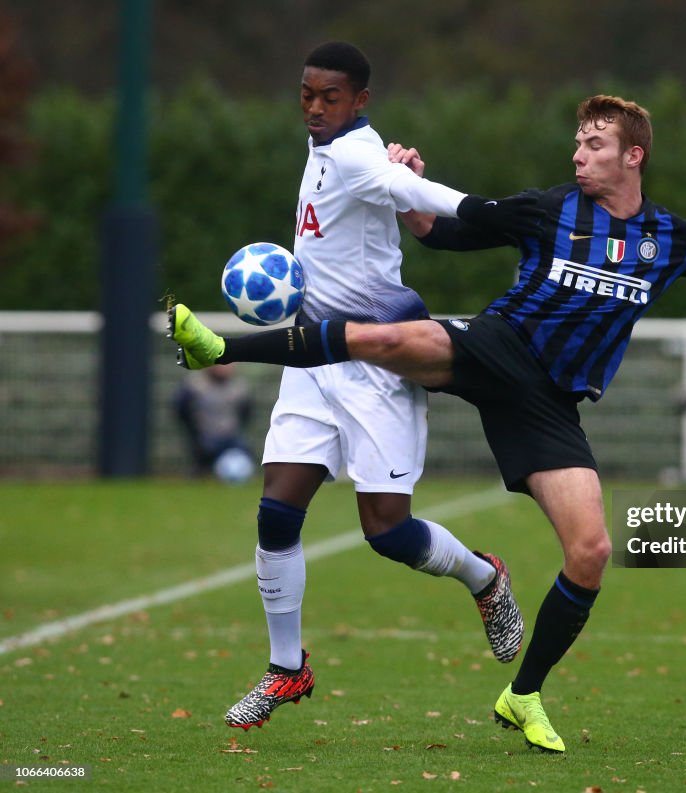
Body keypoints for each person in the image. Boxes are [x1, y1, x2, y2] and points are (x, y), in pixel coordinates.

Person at [169, 94, 686, 752]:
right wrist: (409, 190)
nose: (578, 154)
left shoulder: (669, 241)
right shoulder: (550, 208)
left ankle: (522, 696)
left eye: (593, 144)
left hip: (548, 403)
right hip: (493, 347)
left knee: (591, 550)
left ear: (633, 155)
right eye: (578, 143)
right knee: (385, 335)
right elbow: (450, 229)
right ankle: (221, 345)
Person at [202, 41, 546, 733]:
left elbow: (418, 197)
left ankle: (484, 576)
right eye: (307, 94)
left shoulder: (358, 154)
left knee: (387, 531)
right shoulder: (326, 145)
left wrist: (495, 213)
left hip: (377, 365)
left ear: (360, 101)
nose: (315, 107)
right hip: (314, 356)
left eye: (331, 97)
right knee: (276, 511)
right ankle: (285, 666)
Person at [174, 364, 255, 482]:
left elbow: (246, 413)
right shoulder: (195, 386)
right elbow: (182, 411)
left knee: (243, 449)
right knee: (205, 450)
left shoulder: (239, 388)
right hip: (206, 437)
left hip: (231, 437)